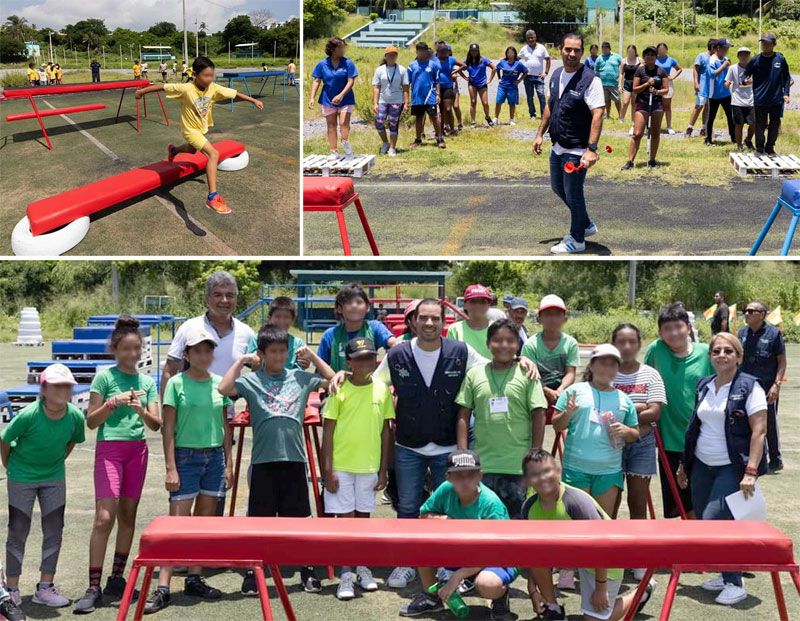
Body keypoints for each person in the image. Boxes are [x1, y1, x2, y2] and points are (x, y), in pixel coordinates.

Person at [219, 328, 334, 594]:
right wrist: (241, 361)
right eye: (273, 352)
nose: (279, 356)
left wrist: (314, 356)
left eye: (283, 351)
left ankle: (306, 568)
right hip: (263, 462)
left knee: (299, 520)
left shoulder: (300, 377)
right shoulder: (251, 381)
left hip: (294, 460)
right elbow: (224, 388)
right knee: (260, 520)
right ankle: (253, 570)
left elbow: (330, 380)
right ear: (262, 354)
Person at [73, 317, 161, 614]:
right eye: (126, 348)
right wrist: (112, 403)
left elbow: (156, 424)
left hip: (137, 452)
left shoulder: (148, 382)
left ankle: (116, 578)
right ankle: (93, 586)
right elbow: (91, 422)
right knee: (104, 517)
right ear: (115, 349)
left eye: (137, 348)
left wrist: (141, 410)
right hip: (110, 450)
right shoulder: (104, 378)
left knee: (127, 516)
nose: (132, 354)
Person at [142, 328, 233, 614]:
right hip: (186, 457)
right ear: (187, 354)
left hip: (215, 458)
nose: (203, 356)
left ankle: (194, 577)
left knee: (204, 523)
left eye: (207, 350)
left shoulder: (220, 384)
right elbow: (168, 428)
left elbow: (226, 428)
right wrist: (171, 467)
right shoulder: (175, 383)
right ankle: (163, 587)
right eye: (197, 351)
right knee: (176, 525)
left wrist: (228, 463)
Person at [677, 332, 767, 606]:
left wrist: (751, 470)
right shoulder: (704, 385)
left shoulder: (751, 387)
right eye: (716, 351)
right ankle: (725, 572)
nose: (721, 356)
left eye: (728, 351)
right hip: (702, 465)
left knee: (715, 521)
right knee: (706, 519)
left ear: (738, 356)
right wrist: (685, 463)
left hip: (732, 466)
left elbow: (759, 431)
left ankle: (734, 582)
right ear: (710, 357)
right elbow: (696, 426)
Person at [522, 449, 656, 621]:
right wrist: (533, 590)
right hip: (573, 554)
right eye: (535, 474)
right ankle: (553, 609)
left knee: (593, 620)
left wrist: (601, 588)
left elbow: (601, 543)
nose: (542, 478)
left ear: (558, 470)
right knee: (537, 550)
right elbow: (532, 553)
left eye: (547, 471)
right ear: (526, 479)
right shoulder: (529, 507)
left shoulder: (576, 502)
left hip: (606, 556)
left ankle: (642, 592)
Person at [1, 364, 85, 612]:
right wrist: (11, 467)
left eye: (67, 386)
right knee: (18, 532)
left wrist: (55, 463)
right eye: (56, 385)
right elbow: (5, 441)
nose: (62, 390)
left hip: (54, 477)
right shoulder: (28, 415)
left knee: (54, 530)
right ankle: (12, 590)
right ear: (44, 388)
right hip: (21, 477)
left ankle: (45, 588)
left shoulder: (75, 416)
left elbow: (71, 441)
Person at [135, 57, 264, 214]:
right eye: (206, 76)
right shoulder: (186, 89)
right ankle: (212, 197)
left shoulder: (213, 88)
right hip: (190, 130)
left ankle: (174, 150)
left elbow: (234, 93)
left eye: (212, 75)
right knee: (213, 154)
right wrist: (141, 92)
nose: (210, 79)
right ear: (195, 74)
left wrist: (253, 100)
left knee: (191, 150)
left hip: (201, 129)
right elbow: (162, 86)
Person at [398, 450, 518, 619]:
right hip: (462, 551)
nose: (465, 481)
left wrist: (458, 576)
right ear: (448, 477)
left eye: (471, 475)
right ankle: (432, 598)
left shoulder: (491, 504)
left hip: (497, 557)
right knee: (420, 546)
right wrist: (444, 520)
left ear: (480, 476)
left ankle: (500, 600)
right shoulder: (446, 489)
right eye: (458, 475)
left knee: (487, 584)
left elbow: (498, 550)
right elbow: (424, 515)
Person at [321, 337, 394, 600]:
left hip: (369, 466)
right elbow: (327, 432)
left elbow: (387, 432)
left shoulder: (382, 389)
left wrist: (384, 469)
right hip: (341, 466)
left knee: (363, 519)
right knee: (345, 521)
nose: (365, 362)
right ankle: (346, 573)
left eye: (369, 357)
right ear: (348, 361)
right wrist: (327, 471)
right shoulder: (337, 389)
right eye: (359, 358)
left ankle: (362, 566)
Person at [456, 320, 547, 517]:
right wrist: (463, 453)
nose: (503, 345)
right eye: (497, 340)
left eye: (510, 340)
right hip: (482, 466)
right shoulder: (474, 374)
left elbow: (538, 412)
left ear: (517, 345)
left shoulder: (527, 373)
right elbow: (463, 413)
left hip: (517, 465)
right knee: (482, 522)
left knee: (515, 524)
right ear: (488, 344)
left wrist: (536, 451)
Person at [533, 32, 605, 254]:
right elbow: (550, 106)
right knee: (558, 187)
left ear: (582, 52)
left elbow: (598, 113)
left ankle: (577, 239)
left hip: (577, 149)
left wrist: (591, 150)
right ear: (560, 51)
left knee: (573, 192)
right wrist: (539, 134)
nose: (572, 54)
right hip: (558, 146)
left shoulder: (590, 79)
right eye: (568, 49)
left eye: (576, 50)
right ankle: (585, 223)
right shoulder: (555, 75)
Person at [552, 344, 639, 516]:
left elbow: (634, 434)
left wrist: (625, 431)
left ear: (617, 369)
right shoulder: (573, 392)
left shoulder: (624, 399)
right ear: (591, 365)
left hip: (609, 471)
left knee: (603, 523)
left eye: (612, 364)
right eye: (602, 363)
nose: (606, 368)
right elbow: (557, 425)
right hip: (575, 469)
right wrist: (568, 413)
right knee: (576, 523)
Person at [644, 303, 713, 519]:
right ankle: (689, 547)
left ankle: (702, 545)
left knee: (702, 495)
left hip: (703, 438)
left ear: (688, 328)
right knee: (680, 501)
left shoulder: (705, 353)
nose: (673, 333)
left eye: (678, 326)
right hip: (670, 439)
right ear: (660, 332)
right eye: (667, 328)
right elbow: (644, 380)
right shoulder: (656, 349)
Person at [610, 324, 666, 580]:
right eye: (621, 342)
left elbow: (655, 412)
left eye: (632, 341)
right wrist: (638, 406)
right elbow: (597, 407)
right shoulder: (605, 371)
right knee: (608, 502)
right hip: (610, 442)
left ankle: (638, 557)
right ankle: (606, 555)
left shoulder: (651, 374)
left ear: (639, 343)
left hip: (643, 443)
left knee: (637, 502)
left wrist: (625, 412)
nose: (627, 347)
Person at [738, 300, 786, 472]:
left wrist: (777, 385)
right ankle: (758, 459)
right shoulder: (742, 332)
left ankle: (775, 459)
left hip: (766, 388)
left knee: (769, 424)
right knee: (746, 423)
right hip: (745, 387)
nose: (747, 313)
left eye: (751, 311)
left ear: (762, 314)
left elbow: (782, 361)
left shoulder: (774, 334)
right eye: (746, 310)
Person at [317, 284, 398, 372]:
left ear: (367, 307)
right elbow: (320, 368)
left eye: (359, 302)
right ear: (339, 309)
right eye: (348, 302)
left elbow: (394, 343)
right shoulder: (330, 335)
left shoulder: (375, 327)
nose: (354, 306)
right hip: (340, 384)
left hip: (368, 384)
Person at [521, 294, 579, 409]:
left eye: (557, 314)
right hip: (536, 391)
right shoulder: (530, 344)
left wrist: (560, 390)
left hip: (563, 392)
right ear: (539, 319)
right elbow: (529, 376)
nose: (552, 319)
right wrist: (547, 391)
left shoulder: (571, 343)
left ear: (565, 318)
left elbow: (570, 373)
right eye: (547, 314)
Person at [621, 46, 669, 170]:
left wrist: (657, 91)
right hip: (642, 103)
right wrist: (647, 84)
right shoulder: (640, 71)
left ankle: (652, 160)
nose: (650, 57)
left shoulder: (661, 71)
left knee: (655, 133)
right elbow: (635, 89)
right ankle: (630, 161)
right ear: (644, 57)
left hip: (656, 104)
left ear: (656, 57)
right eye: (647, 54)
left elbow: (666, 89)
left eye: (652, 55)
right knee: (637, 133)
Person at [309, 37, 358, 156]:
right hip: (328, 99)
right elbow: (316, 81)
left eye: (343, 47)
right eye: (341, 47)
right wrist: (312, 98)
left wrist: (341, 95)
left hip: (346, 99)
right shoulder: (322, 64)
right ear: (333, 49)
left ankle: (345, 141)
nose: (343, 49)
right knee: (331, 126)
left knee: (343, 123)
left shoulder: (348, 63)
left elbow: (350, 81)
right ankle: (334, 151)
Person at [744, 33, 792, 155]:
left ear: (774, 44)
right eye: (763, 43)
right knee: (760, 125)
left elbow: (786, 77)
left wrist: (786, 93)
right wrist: (745, 80)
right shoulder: (756, 59)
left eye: (767, 43)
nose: (764, 45)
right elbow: (745, 74)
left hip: (776, 99)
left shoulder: (780, 59)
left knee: (774, 125)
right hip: (760, 99)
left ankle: (770, 147)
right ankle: (759, 148)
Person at [247, 297, 307, 370]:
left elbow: (300, 368)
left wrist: (305, 363)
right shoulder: (257, 339)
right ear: (269, 318)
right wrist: (256, 361)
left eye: (286, 317)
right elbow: (252, 364)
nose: (281, 321)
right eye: (277, 316)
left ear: (293, 320)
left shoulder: (298, 344)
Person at [372, 45, 409, 156]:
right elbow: (376, 87)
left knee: (393, 123)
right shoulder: (379, 70)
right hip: (383, 100)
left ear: (396, 56)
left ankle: (392, 148)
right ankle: (385, 143)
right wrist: (375, 103)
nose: (391, 57)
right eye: (389, 55)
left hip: (396, 101)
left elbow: (406, 88)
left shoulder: (402, 70)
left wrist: (406, 103)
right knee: (379, 121)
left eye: (394, 55)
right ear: (386, 56)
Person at [407, 42, 445, 149]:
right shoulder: (412, 66)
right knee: (419, 118)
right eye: (420, 51)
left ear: (427, 51)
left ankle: (439, 138)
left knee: (434, 117)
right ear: (417, 51)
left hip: (430, 96)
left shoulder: (433, 65)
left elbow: (437, 81)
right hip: (417, 97)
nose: (422, 53)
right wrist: (406, 97)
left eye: (424, 51)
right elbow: (407, 82)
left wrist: (438, 94)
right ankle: (418, 139)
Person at [447, 284, 494, 358]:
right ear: (465, 305)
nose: (478, 305)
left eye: (482, 302)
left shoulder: (497, 329)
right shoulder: (454, 329)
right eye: (473, 302)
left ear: (489, 305)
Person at [705, 38, 735, 146]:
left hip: (726, 93)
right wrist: (724, 66)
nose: (727, 50)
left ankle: (734, 137)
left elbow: (729, 74)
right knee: (711, 117)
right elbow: (712, 74)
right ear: (718, 48)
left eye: (728, 48)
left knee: (730, 116)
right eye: (725, 48)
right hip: (714, 94)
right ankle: (708, 139)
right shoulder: (712, 60)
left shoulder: (725, 59)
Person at [726, 47, 756, 151]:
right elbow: (727, 81)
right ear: (738, 56)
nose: (744, 57)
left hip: (751, 100)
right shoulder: (733, 68)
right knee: (739, 124)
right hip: (737, 100)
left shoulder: (754, 67)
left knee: (753, 123)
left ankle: (748, 139)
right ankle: (739, 145)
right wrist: (726, 84)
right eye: (742, 55)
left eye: (746, 55)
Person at [459, 43, 496, 128]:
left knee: (485, 103)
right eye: (472, 51)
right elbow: (459, 69)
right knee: (473, 102)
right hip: (472, 84)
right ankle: (473, 121)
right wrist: (465, 78)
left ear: (478, 51)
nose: (474, 52)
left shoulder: (484, 60)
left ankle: (487, 117)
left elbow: (494, 68)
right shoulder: (467, 61)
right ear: (470, 51)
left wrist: (490, 80)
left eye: (475, 51)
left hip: (482, 84)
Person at [686, 39, 716, 137]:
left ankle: (704, 128)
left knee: (707, 107)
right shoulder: (701, 56)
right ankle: (689, 128)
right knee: (698, 107)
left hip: (711, 88)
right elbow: (695, 69)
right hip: (702, 87)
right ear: (712, 47)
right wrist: (695, 82)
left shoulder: (715, 58)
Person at [518, 29, 550, 120]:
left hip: (539, 76)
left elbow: (548, 59)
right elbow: (516, 59)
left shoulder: (541, 48)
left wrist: (546, 73)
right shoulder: (524, 49)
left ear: (535, 37)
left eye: (532, 37)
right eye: (528, 38)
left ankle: (544, 114)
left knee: (541, 95)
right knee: (529, 96)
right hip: (527, 76)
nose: (530, 39)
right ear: (526, 39)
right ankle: (532, 114)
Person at [492, 46, 527, 125]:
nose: (510, 54)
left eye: (512, 53)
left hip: (512, 87)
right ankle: (496, 118)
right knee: (498, 101)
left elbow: (526, 72)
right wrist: (499, 78)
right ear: (506, 54)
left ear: (515, 54)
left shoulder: (518, 64)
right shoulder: (503, 62)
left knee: (512, 103)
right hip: (502, 86)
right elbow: (497, 69)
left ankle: (511, 119)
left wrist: (519, 80)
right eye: (508, 53)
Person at [435, 43, 464, 136]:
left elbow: (464, 65)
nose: (444, 53)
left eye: (445, 52)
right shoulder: (434, 61)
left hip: (448, 87)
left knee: (448, 109)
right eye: (441, 52)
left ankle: (452, 129)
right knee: (441, 110)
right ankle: (442, 130)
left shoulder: (451, 60)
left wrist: (454, 71)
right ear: (438, 52)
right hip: (437, 87)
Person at [654, 43, 682, 134]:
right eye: (659, 49)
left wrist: (673, 77)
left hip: (667, 83)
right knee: (656, 105)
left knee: (666, 106)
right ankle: (655, 125)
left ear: (666, 50)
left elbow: (679, 69)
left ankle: (669, 126)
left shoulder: (670, 60)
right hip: (656, 83)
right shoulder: (654, 59)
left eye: (663, 49)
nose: (661, 51)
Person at [593, 42, 622, 120]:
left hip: (614, 83)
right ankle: (607, 115)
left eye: (606, 48)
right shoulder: (599, 58)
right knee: (606, 101)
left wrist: (620, 79)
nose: (604, 50)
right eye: (603, 49)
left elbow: (623, 65)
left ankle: (621, 116)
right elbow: (595, 70)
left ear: (609, 48)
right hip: (603, 84)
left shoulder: (616, 57)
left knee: (617, 100)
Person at [619, 45, 641, 128]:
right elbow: (621, 74)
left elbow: (643, 71)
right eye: (629, 51)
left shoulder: (639, 60)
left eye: (632, 51)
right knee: (625, 102)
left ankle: (633, 120)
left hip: (636, 83)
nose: (631, 53)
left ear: (635, 52)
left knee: (634, 103)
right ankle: (621, 117)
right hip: (627, 83)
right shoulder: (624, 61)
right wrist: (619, 85)